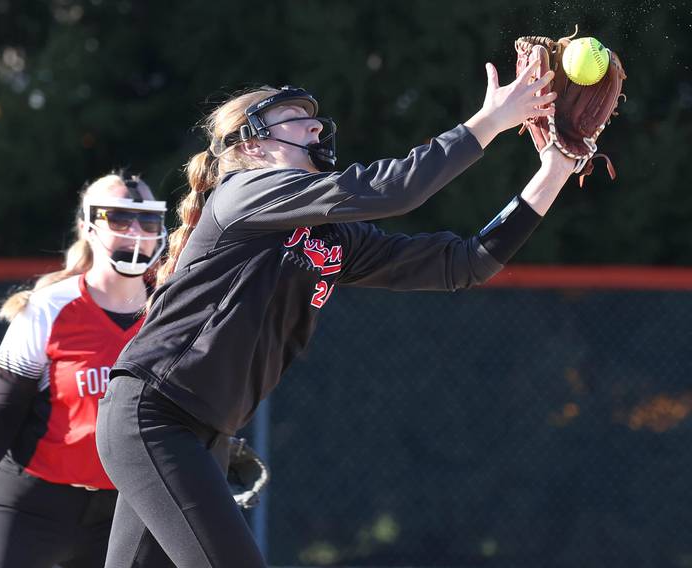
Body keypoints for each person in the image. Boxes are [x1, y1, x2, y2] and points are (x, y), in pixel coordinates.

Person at [96, 61, 578, 568]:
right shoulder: (243, 194)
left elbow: (462, 263)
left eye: (316, 119)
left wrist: (554, 170)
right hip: (156, 416)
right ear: (252, 146)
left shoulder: (328, 237)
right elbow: (397, 190)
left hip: (202, 430)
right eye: (295, 119)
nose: (316, 126)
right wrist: (489, 121)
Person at [0, 173, 167, 568]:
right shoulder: (49, 306)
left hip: (126, 510)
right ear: (88, 227)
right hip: (33, 499)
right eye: (118, 218)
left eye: (147, 220)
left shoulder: (172, 313)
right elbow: (6, 404)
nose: (135, 231)